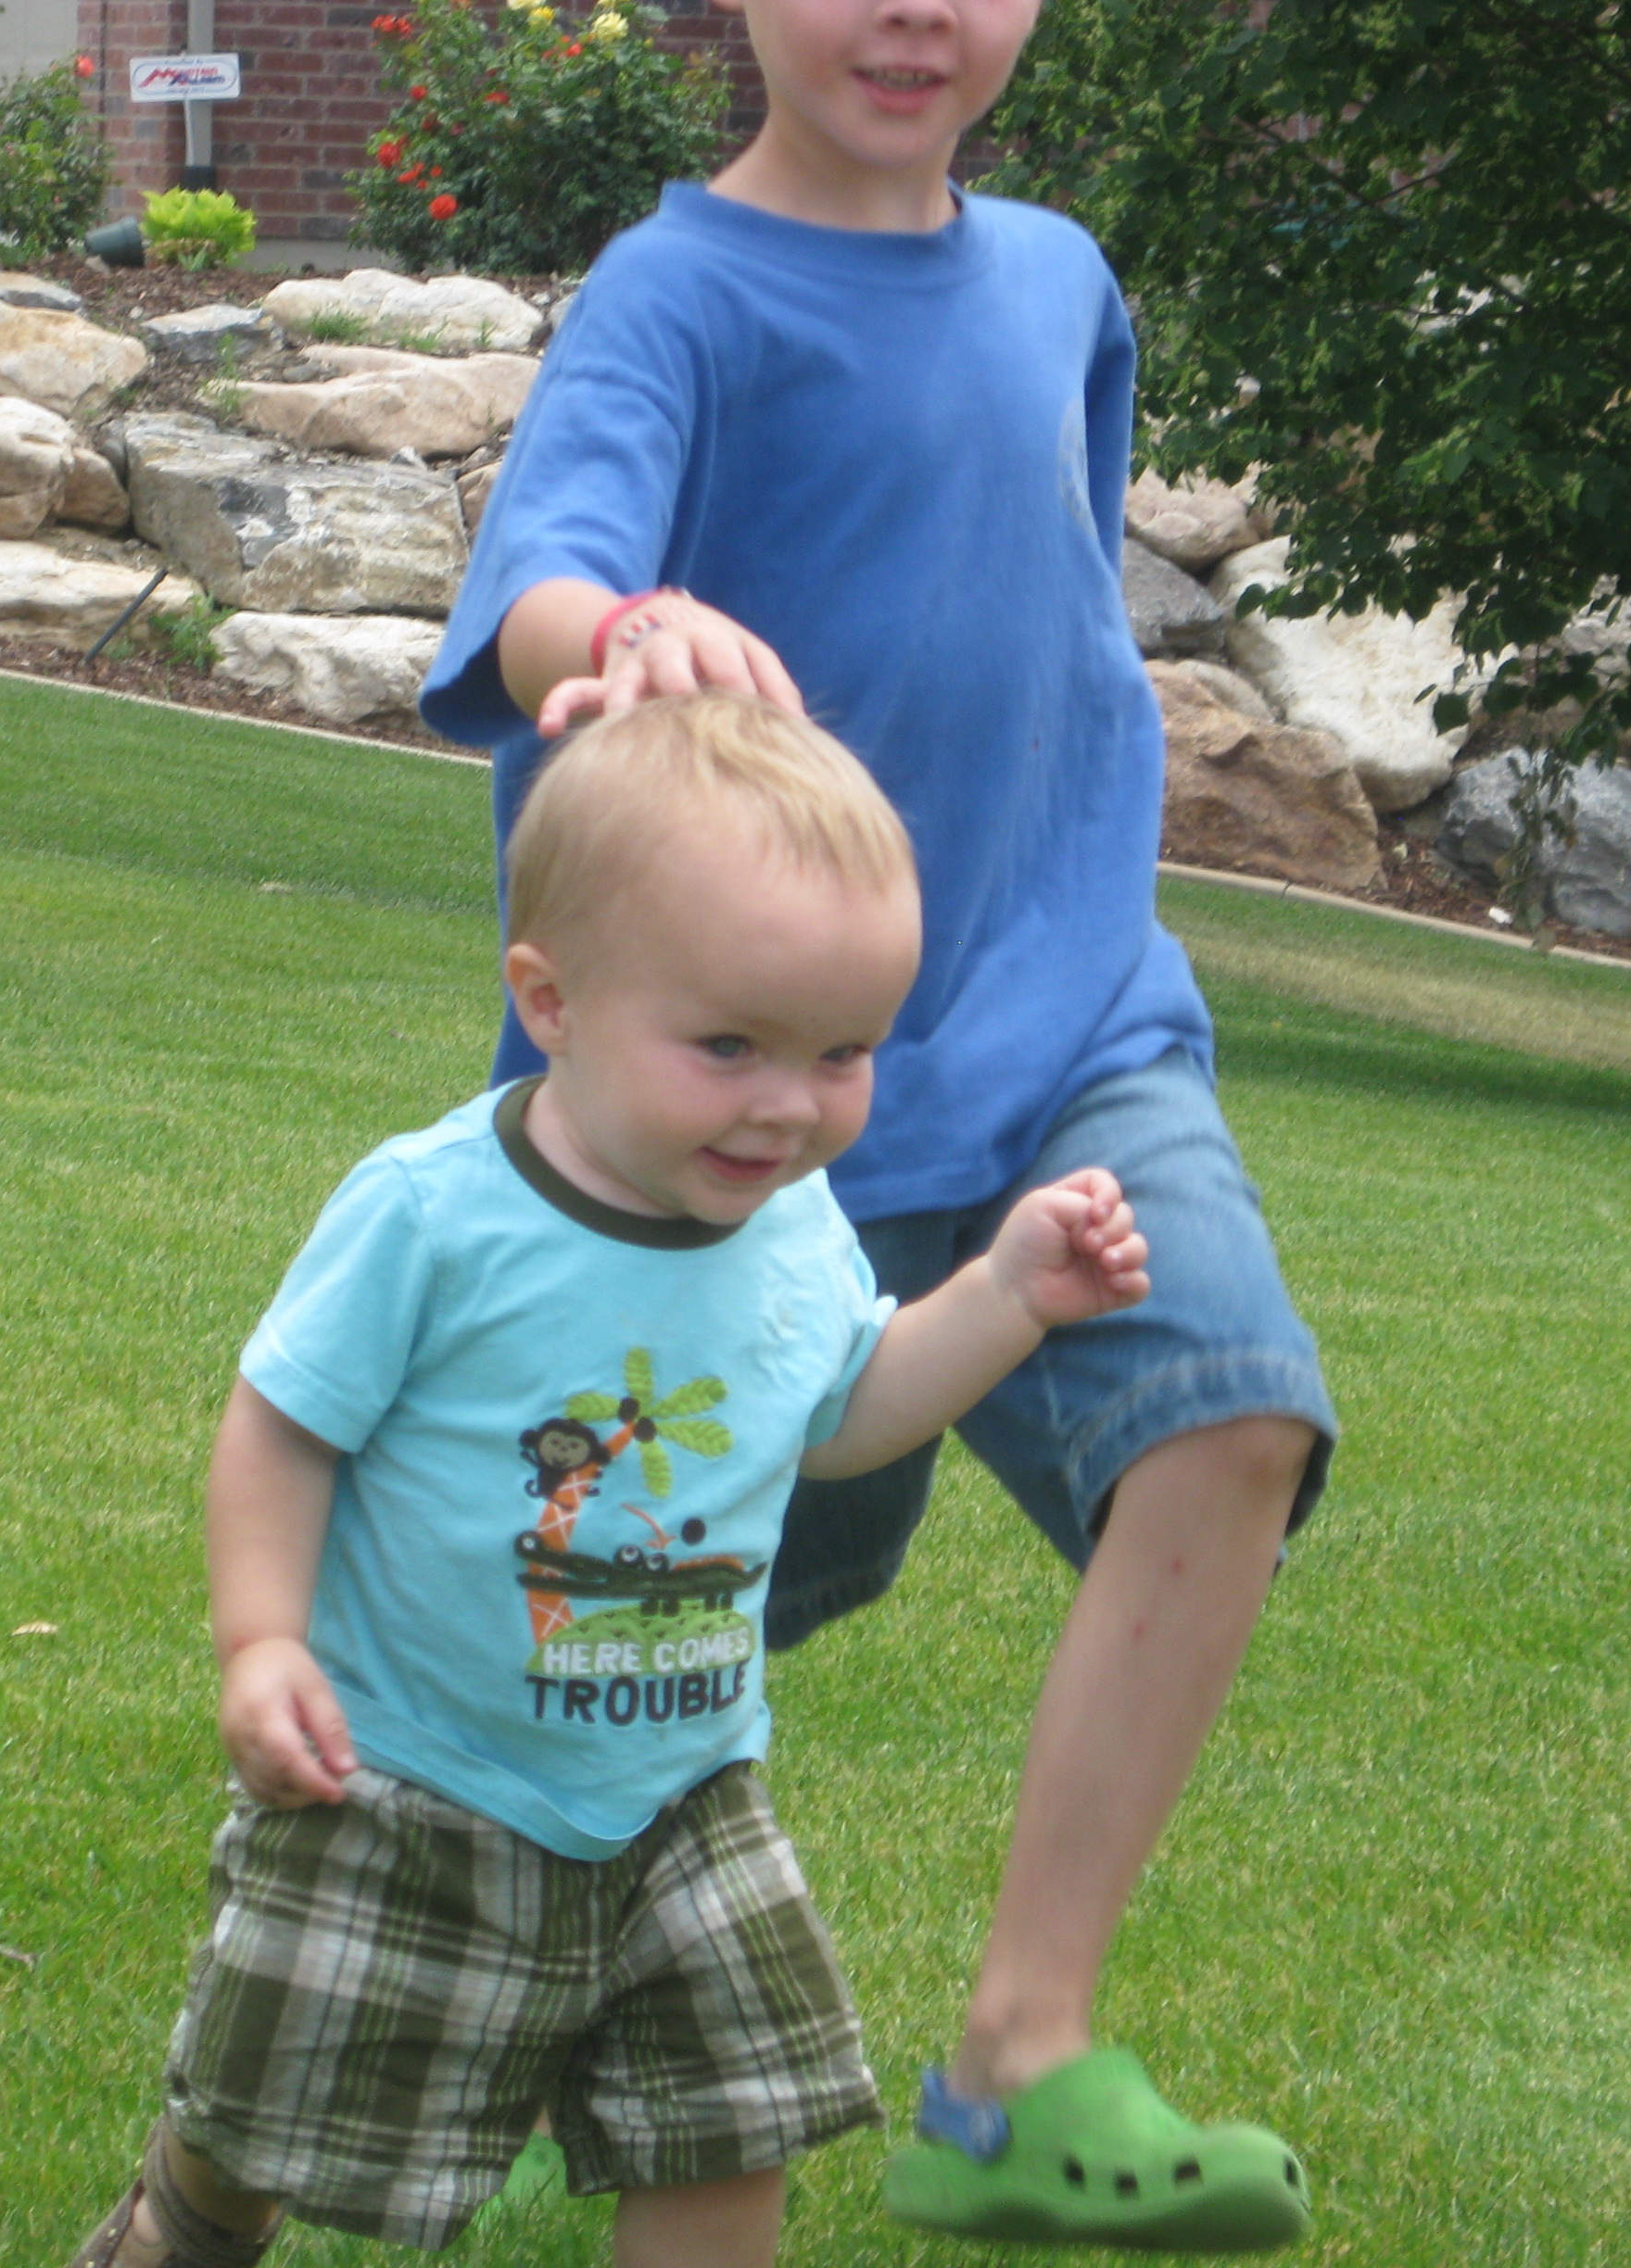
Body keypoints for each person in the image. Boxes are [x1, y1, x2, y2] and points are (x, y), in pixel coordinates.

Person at [412, 0, 1337, 2247]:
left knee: (1233, 1416)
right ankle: (458, 1955)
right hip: (759, 1116)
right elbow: (539, 585)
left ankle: (1019, 2061)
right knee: (630, 1618)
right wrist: (615, 635)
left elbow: (1036, 596)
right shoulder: (679, 294)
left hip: (1078, 1021)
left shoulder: (1062, 281)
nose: (911, 12)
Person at [77, 695, 1155, 2268]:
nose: (790, 1105)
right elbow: (283, 1425)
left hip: (689, 1793)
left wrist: (1002, 1298)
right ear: (553, 999)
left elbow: (841, 1411)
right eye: (730, 1045)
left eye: (842, 1051)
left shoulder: (790, 1219)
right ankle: (188, 2219)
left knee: (738, 2127)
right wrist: (261, 1642)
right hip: (411, 1777)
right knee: (276, 2104)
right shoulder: (436, 1215)